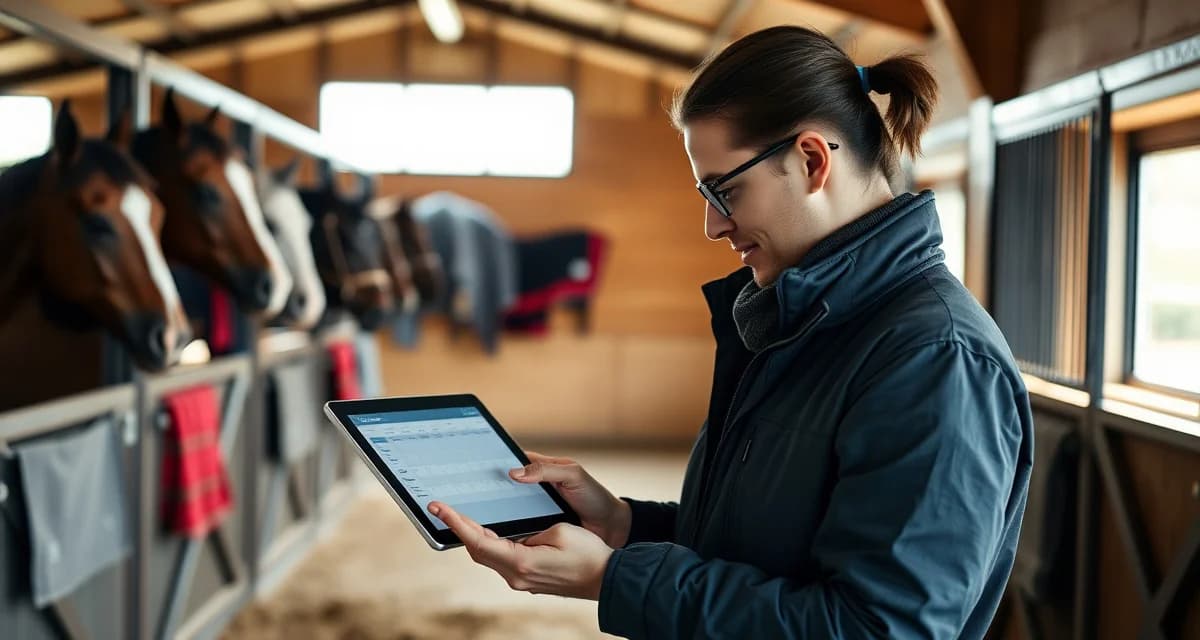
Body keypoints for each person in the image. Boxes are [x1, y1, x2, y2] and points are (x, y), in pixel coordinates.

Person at [428, 25, 1033, 639]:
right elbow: (760, 545)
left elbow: (880, 629)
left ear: (812, 160)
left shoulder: (936, 358)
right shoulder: (801, 319)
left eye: (724, 190)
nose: (713, 225)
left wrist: (615, 578)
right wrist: (623, 524)